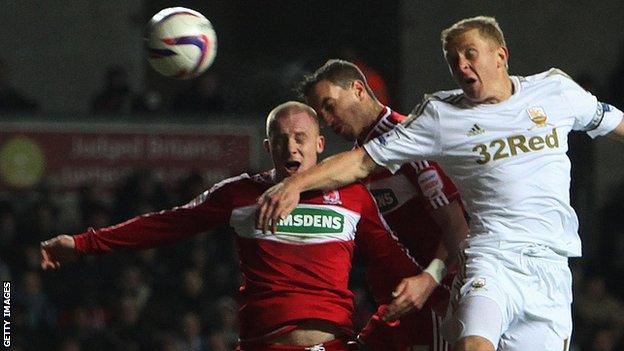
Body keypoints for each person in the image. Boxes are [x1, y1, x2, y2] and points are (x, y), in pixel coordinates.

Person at [257, 16, 624, 351]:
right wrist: (295, 184)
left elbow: (612, 122)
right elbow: (361, 161)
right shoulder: (441, 116)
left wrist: (429, 277)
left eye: (469, 54)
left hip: (551, 267)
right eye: (453, 60)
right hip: (490, 259)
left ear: (501, 55)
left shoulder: (555, 92)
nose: (461, 65)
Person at [41, 101, 421, 351]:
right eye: (282, 139)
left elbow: (394, 264)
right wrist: (83, 243)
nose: (292, 148)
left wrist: (434, 281)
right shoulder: (240, 194)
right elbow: (166, 224)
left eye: (301, 138)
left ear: (320, 144)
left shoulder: (353, 196)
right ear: (268, 146)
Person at [297, 59, 470, 350]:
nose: (327, 118)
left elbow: (459, 226)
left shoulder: (407, 141)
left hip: (437, 302)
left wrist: (430, 280)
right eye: (320, 113)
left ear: (358, 90)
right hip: (396, 305)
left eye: (329, 105)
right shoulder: (357, 159)